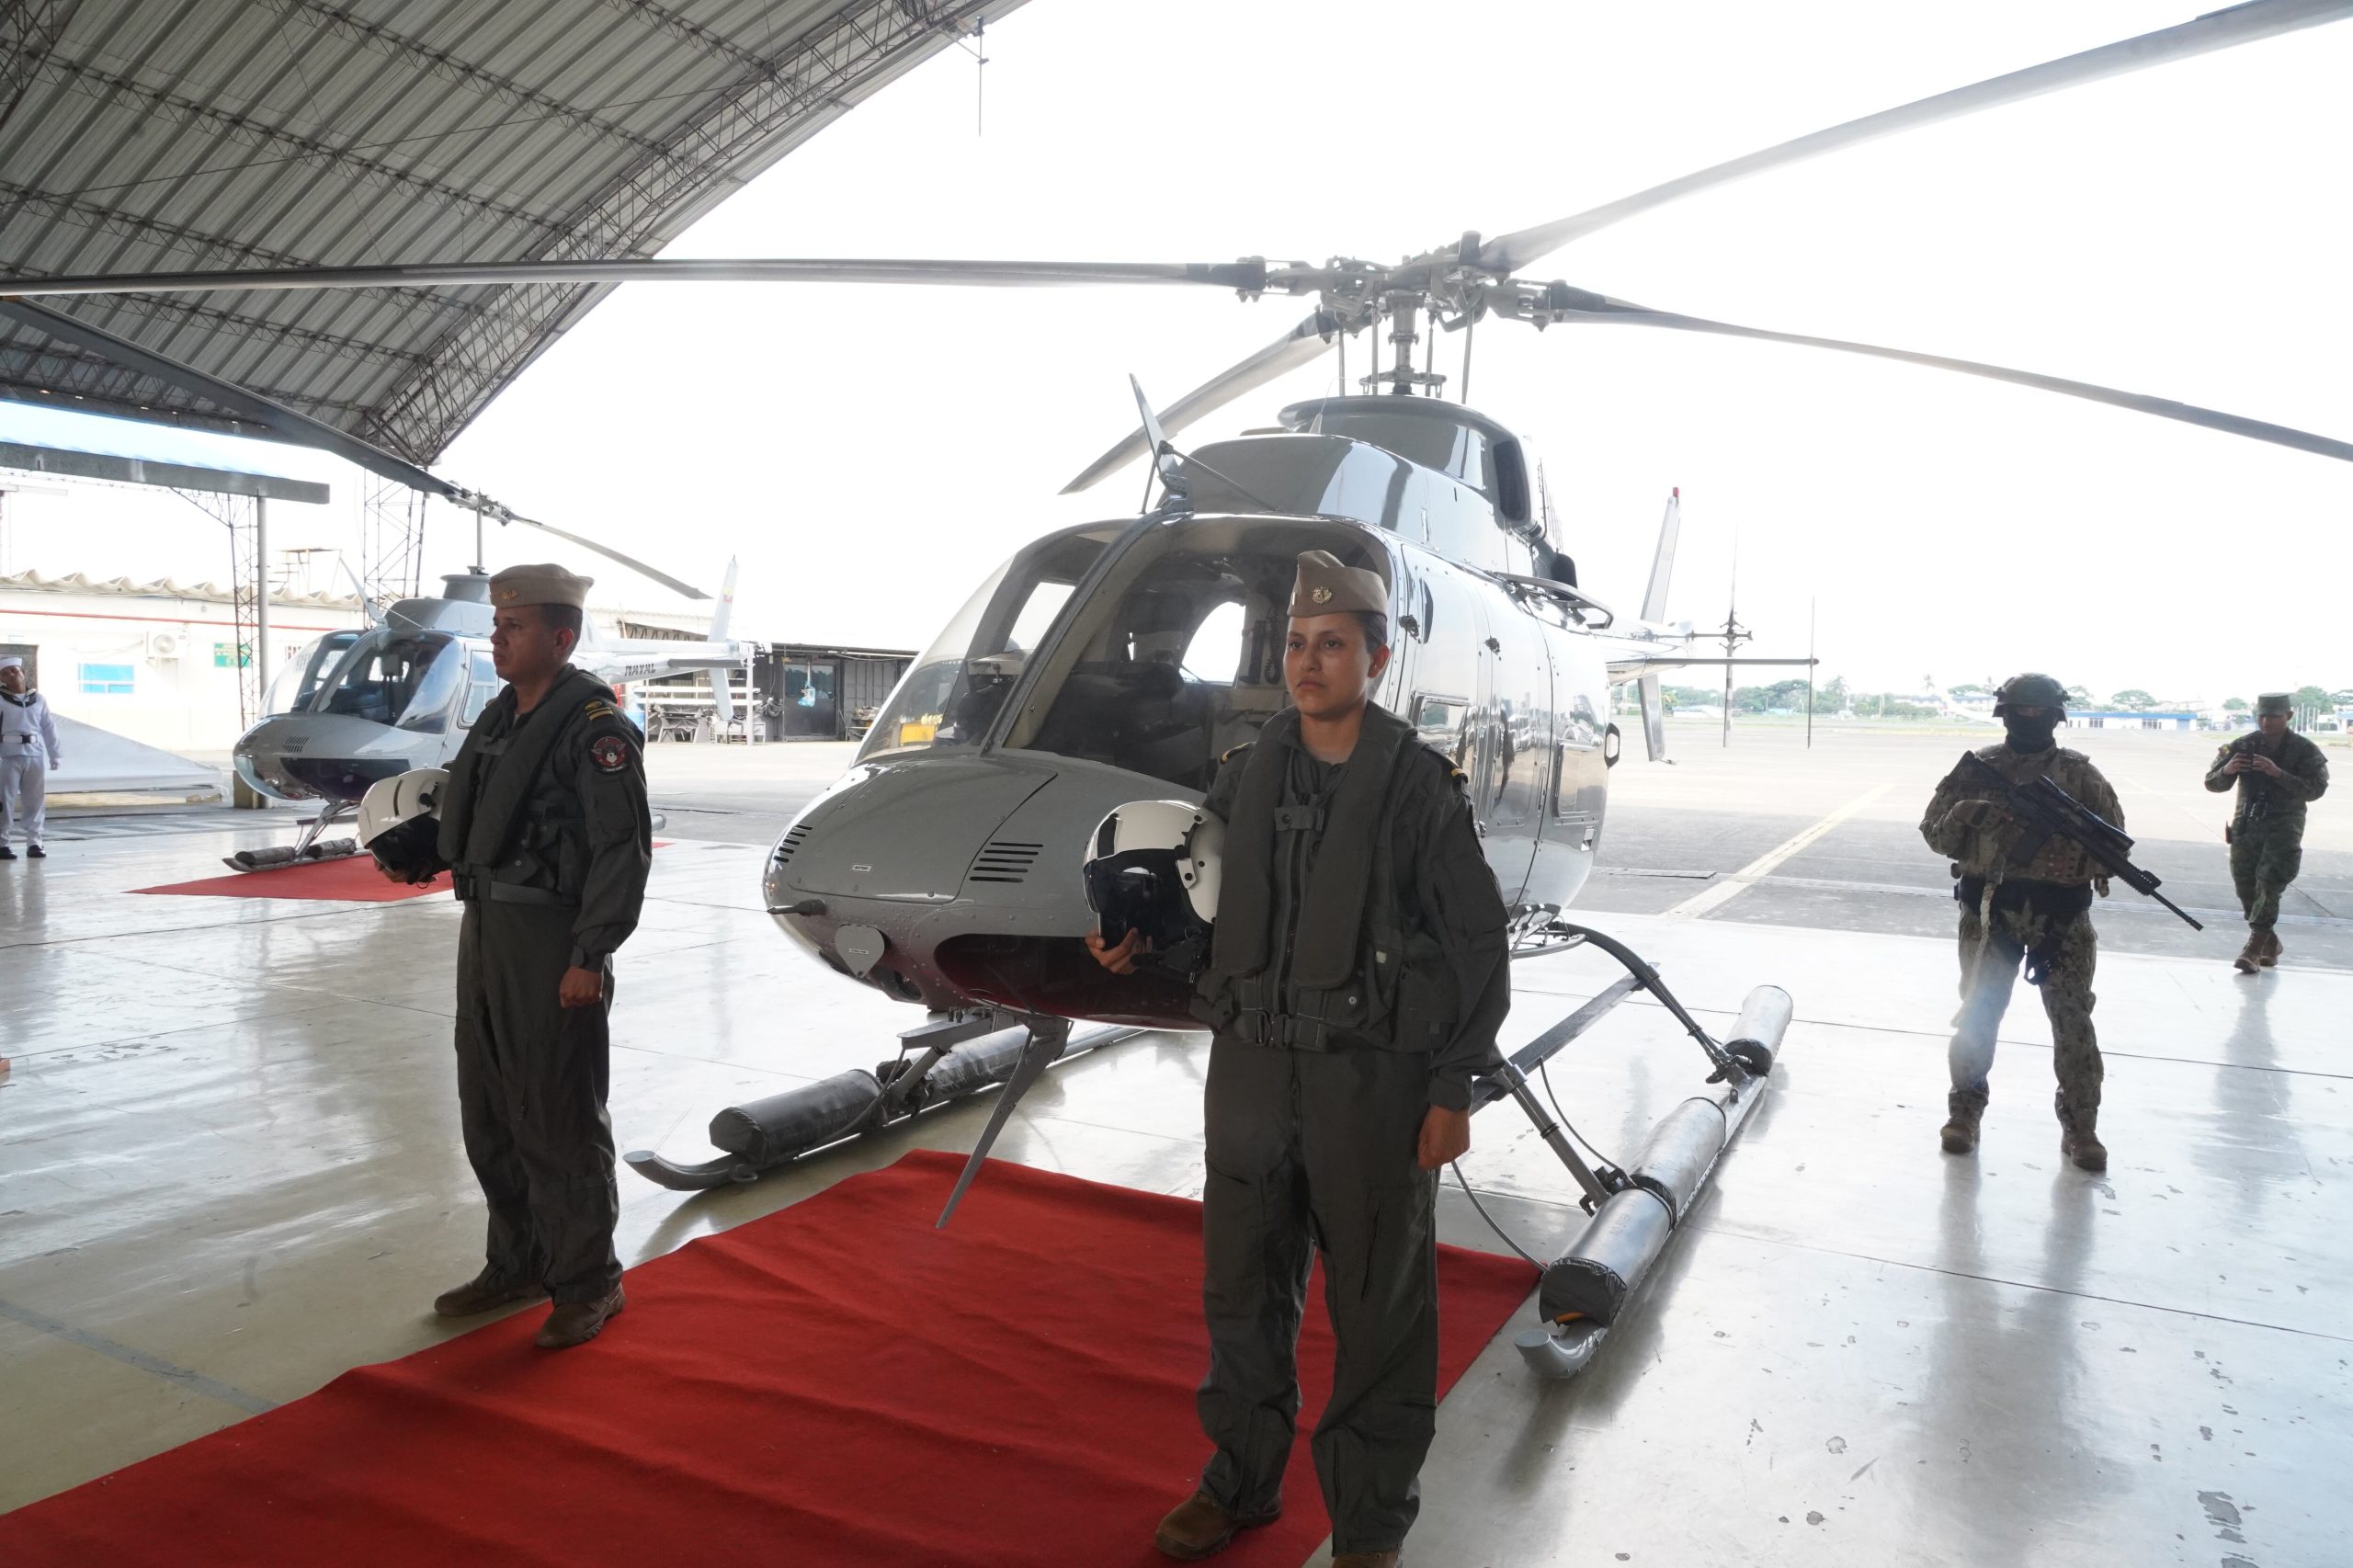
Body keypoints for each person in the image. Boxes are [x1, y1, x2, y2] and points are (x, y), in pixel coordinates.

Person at [1087, 550, 1511, 1568]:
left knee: (1378, 1312)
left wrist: (1453, 1086)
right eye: (1295, 644)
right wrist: (1140, 942)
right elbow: (1215, 914)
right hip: (1248, 1080)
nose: (1309, 662)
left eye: (1332, 644)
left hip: (1369, 1084)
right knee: (1240, 1293)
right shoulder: (1246, 774)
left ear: (1376, 657)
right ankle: (1238, 1482)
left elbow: (1475, 946)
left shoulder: (1418, 788)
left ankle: (1367, 1526)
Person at [383, 563, 652, 1349]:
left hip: (551, 940)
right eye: (497, 626)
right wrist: (425, 850)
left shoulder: (595, 729)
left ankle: (590, 1281)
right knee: (491, 1110)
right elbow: (483, 814)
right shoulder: (502, 719)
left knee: (557, 1115)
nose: (497, 639)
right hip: (486, 932)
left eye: (515, 627)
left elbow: (621, 849)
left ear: (560, 638)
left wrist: (590, 954)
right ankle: (519, 1262)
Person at [1918, 672, 2120, 1172]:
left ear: (2056, 717)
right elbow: (1937, 838)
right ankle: (1964, 1113)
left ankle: (2081, 1126)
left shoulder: (2081, 776)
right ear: (2004, 715)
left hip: (2062, 918)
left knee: (2073, 1022)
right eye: (2020, 711)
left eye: (2039, 712)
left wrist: (2074, 838)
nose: (2029, 719)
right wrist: (1964, 814)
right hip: (1991, 913)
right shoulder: (1976, 770)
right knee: (1978, 1014)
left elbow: (2115, 847)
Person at [2206, 692, 2329, 971]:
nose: (2266, 722)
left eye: (2273, 716)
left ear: (2288, 716)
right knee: (2246, 887)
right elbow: (2211, 783)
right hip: (2246, 826)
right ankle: (2270, 943)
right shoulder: (2242, 745)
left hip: (2283, 828)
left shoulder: (2304, 750)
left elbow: (2315, 790)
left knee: (2269, 884)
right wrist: (2228, 770)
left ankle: (2253, 948)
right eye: (2261, 716)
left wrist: (2278, 773)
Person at [0, 655, 62, 860]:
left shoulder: (39, 699)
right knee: (4, 801)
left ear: (23, 673)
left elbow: (48, 727)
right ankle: (2, 842)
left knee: (35, 800)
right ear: (2, 679)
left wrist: (55, 753)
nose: (12, 674)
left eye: (15, 670)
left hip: (34, 753)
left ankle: (35, 842)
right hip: (7, 755)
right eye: (6, 673)